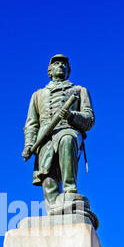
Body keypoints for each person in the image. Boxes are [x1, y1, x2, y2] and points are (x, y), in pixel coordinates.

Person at [22, 54, 95, 213]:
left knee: (66, 139)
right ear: (50, 71)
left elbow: (89, 120)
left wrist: (71, 116)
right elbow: (31, 124)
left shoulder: (79, 91)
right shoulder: (38, 95)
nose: (60, 66)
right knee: (47, 176)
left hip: (68, 129)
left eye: (64, 64)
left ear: (68, 71)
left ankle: (70, 192)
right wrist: (28, 145)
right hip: (44, 138)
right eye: (56, 64)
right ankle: (54, 209)